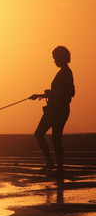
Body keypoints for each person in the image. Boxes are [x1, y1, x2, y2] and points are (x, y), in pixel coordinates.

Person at [29, 46, 75, 174]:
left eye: (55, 58)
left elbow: (71, 93)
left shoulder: (66, 73)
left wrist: (50, 93)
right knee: (55, 138)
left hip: (58, 111)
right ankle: (56, 165)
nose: (54, 61)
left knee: (43, 135)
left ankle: (53, 164)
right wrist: (40, 95)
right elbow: (57, 93)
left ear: (62, 58)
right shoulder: (63, 72)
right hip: (57, 109)